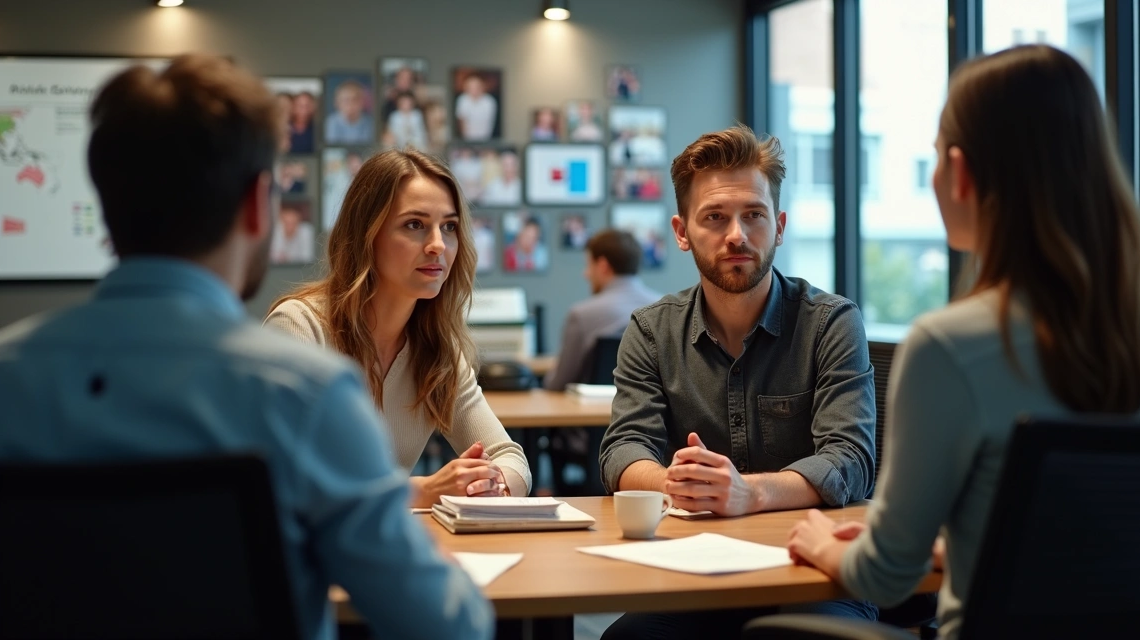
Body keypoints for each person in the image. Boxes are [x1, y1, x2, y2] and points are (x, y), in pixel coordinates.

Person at [0, 54, 491, 640]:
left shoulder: (10, 380)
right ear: (259, 205)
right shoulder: (303, 392)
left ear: (104, 205)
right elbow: (444, 626)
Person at [784, 45, 1140, 640]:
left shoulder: (950, 346)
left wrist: (823, 543)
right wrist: (947, 551)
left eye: (933, 156)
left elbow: (882, 579)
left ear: (960, 172)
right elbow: (1091, 559)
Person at [598, 125, 878, 639]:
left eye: (754, 214)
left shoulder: (831, 323)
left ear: (780, 225)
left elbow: (849, 458)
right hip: (689, 575)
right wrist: (679, 485)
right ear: (682, 232)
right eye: (715, 217)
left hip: (812, 575)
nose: (736, 234)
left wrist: (747, 493)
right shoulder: (649, 329)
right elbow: (623, 449)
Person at [266, 148, 532, 507]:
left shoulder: (437, 348)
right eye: (414, 225)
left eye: (449, 227)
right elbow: (286, 480)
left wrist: (489, 486)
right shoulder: (301, 328)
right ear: (367, 235)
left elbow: (510, 456)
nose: (438, 244)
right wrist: (422, 492)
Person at [545, 229, 661, 391]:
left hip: (590, 415)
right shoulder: (664, 310)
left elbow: (559, 384)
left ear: (603, 266)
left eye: (588, 265)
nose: (585, 274)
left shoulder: (581, 315)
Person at [325, 80, 373, 144]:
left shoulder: (371, 124)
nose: (350, 104)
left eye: (355, 99)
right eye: (346, 100)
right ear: (337, 103)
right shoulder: (330, 123)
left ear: (362, 102)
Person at [454, 73, 497, 141]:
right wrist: (465, 141)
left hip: (486, 140)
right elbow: (461, 122)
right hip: (466, 141)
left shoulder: (489, 101)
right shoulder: (462, 99)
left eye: (477, 86)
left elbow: (488, 125)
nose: (474, 90)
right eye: (471, 87)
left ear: (482, 87)